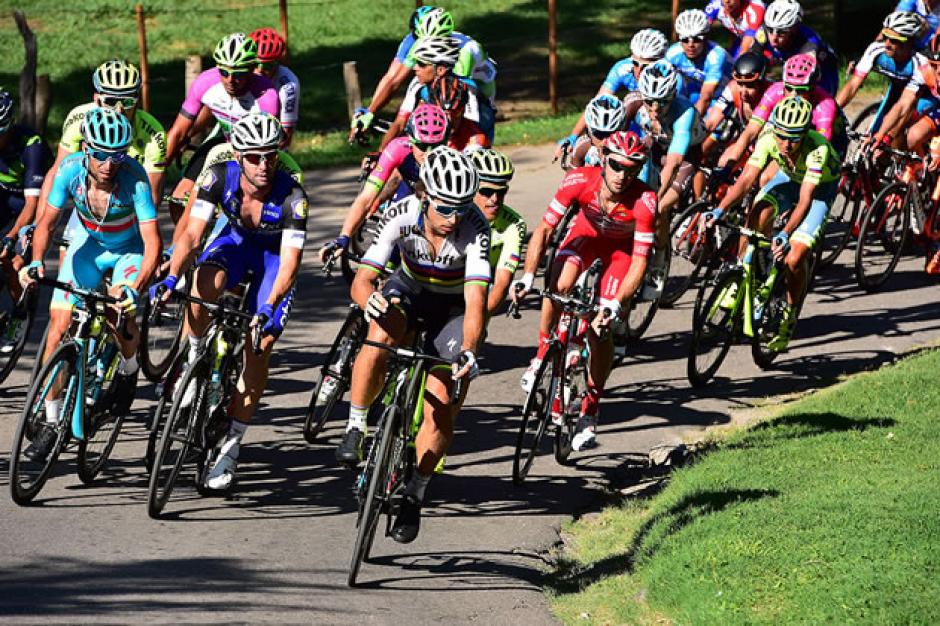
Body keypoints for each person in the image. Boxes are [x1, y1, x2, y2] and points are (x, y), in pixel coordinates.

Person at [335, 146, 489, 544]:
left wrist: (469, 350)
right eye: (444, 207)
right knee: (381, 330)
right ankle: (356, 424)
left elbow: (475, 305)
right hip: (410, 289)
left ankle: (415, 493)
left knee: (440, 402)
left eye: (460, 206)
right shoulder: (400, 215)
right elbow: (363, 278)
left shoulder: (475, 230)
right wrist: (367, 297)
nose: (452, 218)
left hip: (453, 308)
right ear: (423, 196)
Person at [151, 113, 307, 492]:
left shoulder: (293, 197)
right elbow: (191, 235)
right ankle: (192, 358)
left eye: (270, 155)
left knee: (260, 345)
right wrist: (173, 275)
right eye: (254, 157)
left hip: (272, 259)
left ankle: (231, 446)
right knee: (204, 280)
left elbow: (289, 265)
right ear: (238, 155)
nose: (263, 165)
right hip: (237, 242)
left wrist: (268, 306)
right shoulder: (218, 176)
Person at [19, 108, 162, 461]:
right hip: (89, 248)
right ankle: (52, 424)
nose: (109, 163)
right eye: (100, 154)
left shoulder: (136, 179)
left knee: (118, 309)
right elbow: (47, 224)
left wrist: (135, 288)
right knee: (57, 329)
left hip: (128, 251)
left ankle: (128, 372)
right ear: (85, 149)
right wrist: (36, 261)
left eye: (118, 154)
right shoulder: (69, 172)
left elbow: (153, 242)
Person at [514, 132, 656, 451]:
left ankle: (590, 410)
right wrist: (526, 277)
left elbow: (639, 263)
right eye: (617, 165)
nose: (623, 175)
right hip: (585, 238)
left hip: (620, 253)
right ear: (604, 158)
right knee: (559, 285)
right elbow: (545, 231)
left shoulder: (645, 200)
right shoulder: (579, 179)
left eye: (632, 169)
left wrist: (616, 306)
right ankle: (540, 356)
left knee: (600, 329)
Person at [705, 96, 839, 351]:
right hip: (789, 179)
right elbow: (745, 181)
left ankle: (789, 315)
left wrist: (786, 234)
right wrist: (719, 210)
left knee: (794, 258)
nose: (787, 144)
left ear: (806, 133)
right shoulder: (768, 138)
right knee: (755, 214)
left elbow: (804, 201)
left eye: (794, 137)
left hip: (819, 190)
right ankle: (746, 274)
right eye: (782, 136)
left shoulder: (817, 150)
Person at [162, 33, 279, 221]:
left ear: (251, 69)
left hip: (252, 154)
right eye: (224, 72)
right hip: (222, 143)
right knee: (178, 199)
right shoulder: (205, 82)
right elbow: (178, 132)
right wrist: (157, 172)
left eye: (239, 73)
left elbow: (268, 145)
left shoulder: (267, 97)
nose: (231, 79)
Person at [320, 103, 451, 264]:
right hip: (410, 192)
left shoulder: (455, 155)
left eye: (436, 145)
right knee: (391, 245)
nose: (429, 153)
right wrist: (344, 236)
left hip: (442, 203)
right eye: (422, 145)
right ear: (410, 139)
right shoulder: (398, 148)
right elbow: (365, 198)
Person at [38, 60, 165, 224]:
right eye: (111, 101)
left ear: (137, 99)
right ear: (96, 99)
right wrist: (38, 222)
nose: (119, 110)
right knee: (66, 245)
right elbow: (56, 172)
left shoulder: (154, 133)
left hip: (127, 207)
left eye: (127, 102)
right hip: (87, 199)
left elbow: (152, 194)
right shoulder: (78, 119)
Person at [621, 61, 707, 297]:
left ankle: (659, 260)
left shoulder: (684, 114)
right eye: (650, 101)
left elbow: (673, 163)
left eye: (662, 101)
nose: (655, 107)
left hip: (685, 156)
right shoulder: (637, 103)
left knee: (657, 210)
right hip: (656, 146)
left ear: (673, 95)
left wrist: (654, 200)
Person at [353, 7, 498, 142]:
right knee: (421, 93)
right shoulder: (415, 42)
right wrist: (370, 112)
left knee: (461, 127)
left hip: (479, 92)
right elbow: (394, 79)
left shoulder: (467, 51)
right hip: (444, 81)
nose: (422, 45)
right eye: (419, 39)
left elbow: (452, 91)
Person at [720, 53, 847, 180]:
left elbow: (818, 149)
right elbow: (750, 131)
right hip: (791, 141)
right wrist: (730, 164)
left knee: (766, 178)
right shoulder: (776, 90)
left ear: (813, 87)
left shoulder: (825, 106)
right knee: (732, 164)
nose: (793, 95)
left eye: (801, 90)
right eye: (789, 88)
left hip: (828, 146)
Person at [555, 28, 669, 160]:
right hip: (636, 118)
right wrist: (573, 136)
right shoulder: (622, 68)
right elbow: (598, 103)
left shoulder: (670, 76)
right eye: (635, 63)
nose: (639, 70)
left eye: (646, 65)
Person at [0, 89, 50, 352]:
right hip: (3, 197)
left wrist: (12, 237)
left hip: (31, 203)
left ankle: (18, 318)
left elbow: (33, 205)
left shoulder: (32, 147)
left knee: (11, 260)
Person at [838, 12, 931, 138]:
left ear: (909, 42)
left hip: (924, 96)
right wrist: (832, 110)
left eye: (893, 40)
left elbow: (906, 104)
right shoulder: (876, 49)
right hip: (897, 89)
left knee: (900, 135)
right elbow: (853, 85)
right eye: (885, 36)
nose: (886, 44)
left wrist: (887, 137)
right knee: (874, 135)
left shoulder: (920, 63)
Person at [469, 148, 527, 317]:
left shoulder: (514, 224)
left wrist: (477, 319)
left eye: (501, 192)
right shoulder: (453, 215)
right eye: (486, 192)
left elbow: (502, 282)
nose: (494, 199)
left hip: (479, 286)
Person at [750, 0, 840, 96]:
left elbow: (805, 77)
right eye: (770, 30)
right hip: (788, 66)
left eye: (782, 32)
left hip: (824, 71)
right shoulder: (763, 32)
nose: (773, 38)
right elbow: (751, 61)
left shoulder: (808, 42)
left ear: (794, 29)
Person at [702, 52, 772, 161]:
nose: (744, 92)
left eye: (750, 85)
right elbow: (711, 123)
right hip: (746, 137)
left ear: (761, 82)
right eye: (740, 83)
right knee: (709, 156)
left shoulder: (772, 93)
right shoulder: (733, 88)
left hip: (767, 142)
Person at [666, 9, 733, 116]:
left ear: (705, 38)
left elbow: (706, 97)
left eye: (697, 39)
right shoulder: (673, 53)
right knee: (675, 81)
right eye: (685, 39)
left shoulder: (716, 56)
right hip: (696, 90)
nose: (690, 45)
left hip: (720, 95)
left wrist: (690, 126)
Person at [249, 28, 300, 148]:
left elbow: (286, 137)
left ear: (278, 63)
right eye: (255, 64)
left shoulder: (288, 85)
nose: (260, 70)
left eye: (267, 65)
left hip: (270, 145)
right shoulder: (240, 75)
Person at [567, 95, 626, 168]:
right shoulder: (582, 147)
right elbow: (572, 177)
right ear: (588, 130)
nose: (604, 141)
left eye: (610, 134)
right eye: (599, 134)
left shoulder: (629, 150)